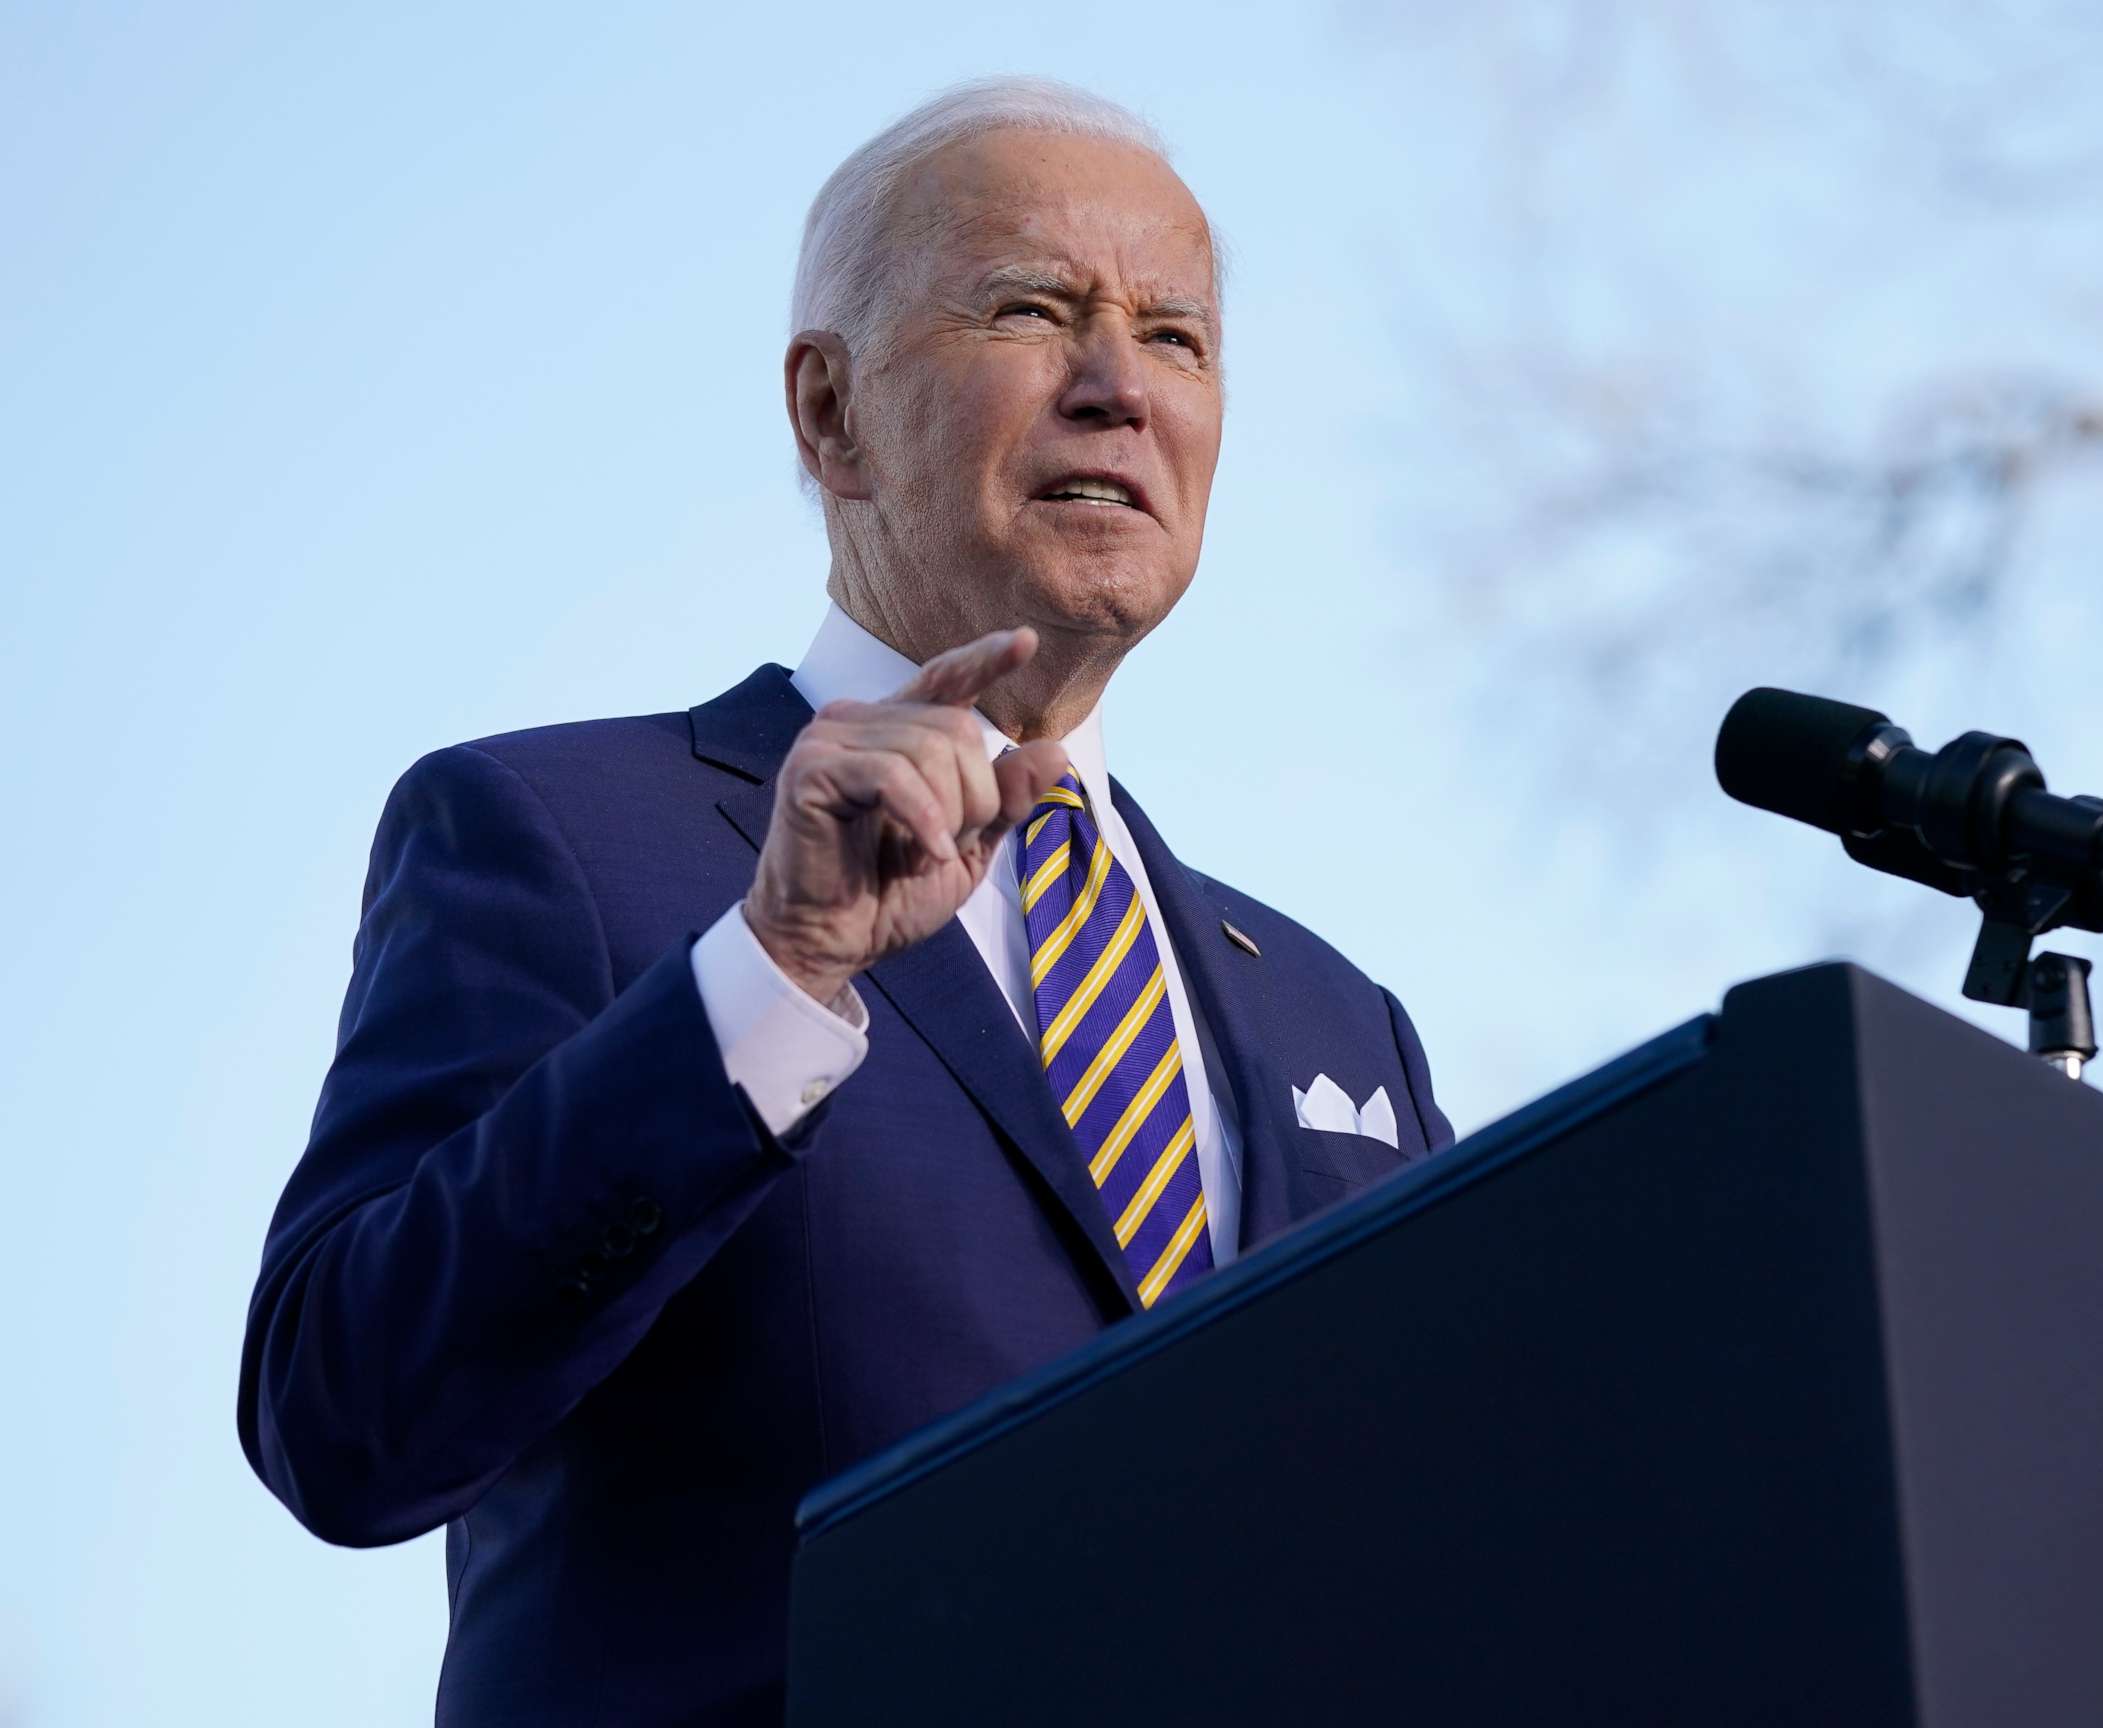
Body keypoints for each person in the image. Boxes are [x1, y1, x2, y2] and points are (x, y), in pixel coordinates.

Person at [237, 77, 1451, 1726]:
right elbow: (345, 1414)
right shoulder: (564, 837)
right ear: (830, 411)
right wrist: (776, 969)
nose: (1118, 389)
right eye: (1035, 309)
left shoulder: (1331, 1013)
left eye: (1177, 338)